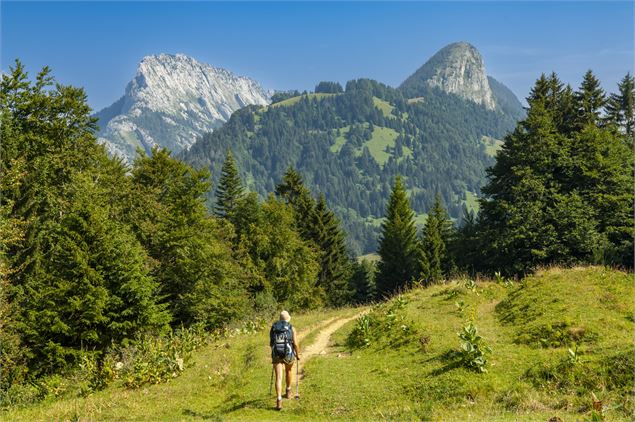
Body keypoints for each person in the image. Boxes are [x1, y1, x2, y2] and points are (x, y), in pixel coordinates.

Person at [270, 310, 301, 410]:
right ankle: (288, 392)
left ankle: (279, 400)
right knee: (288, 370)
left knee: (278, 377)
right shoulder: (291, 328)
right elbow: (295, 344)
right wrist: (298, 354)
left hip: (276, 354)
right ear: (288, 319)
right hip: (288, 353)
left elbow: (271, 343)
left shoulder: (273, 327)